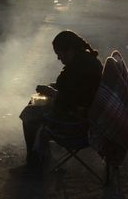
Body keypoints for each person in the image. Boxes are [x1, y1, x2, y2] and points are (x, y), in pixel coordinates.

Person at [11, 30, 103, 176]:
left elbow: (70, 99)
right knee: (34, 106)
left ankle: (34, 165)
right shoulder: (85, 60)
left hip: (79, 123)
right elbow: (73, 89)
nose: (59, 58)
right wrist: (52, 88)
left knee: (29, 114)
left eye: (59, 53)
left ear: (70, 50)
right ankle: (42, 158)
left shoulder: (81, 66)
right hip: (88, 115)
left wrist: (51, 91)